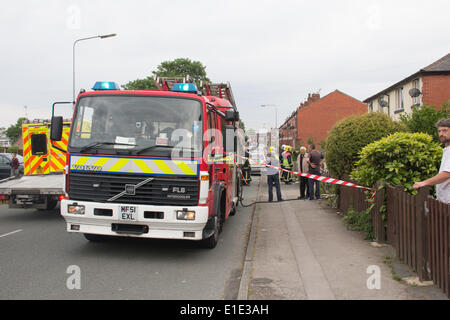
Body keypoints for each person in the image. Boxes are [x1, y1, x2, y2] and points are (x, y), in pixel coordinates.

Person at [413, 118, 450, 204]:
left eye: (445, 130)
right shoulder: (446, 150)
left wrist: (424, 183)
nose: (441, 134)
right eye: (439, 131)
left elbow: (447, 174)